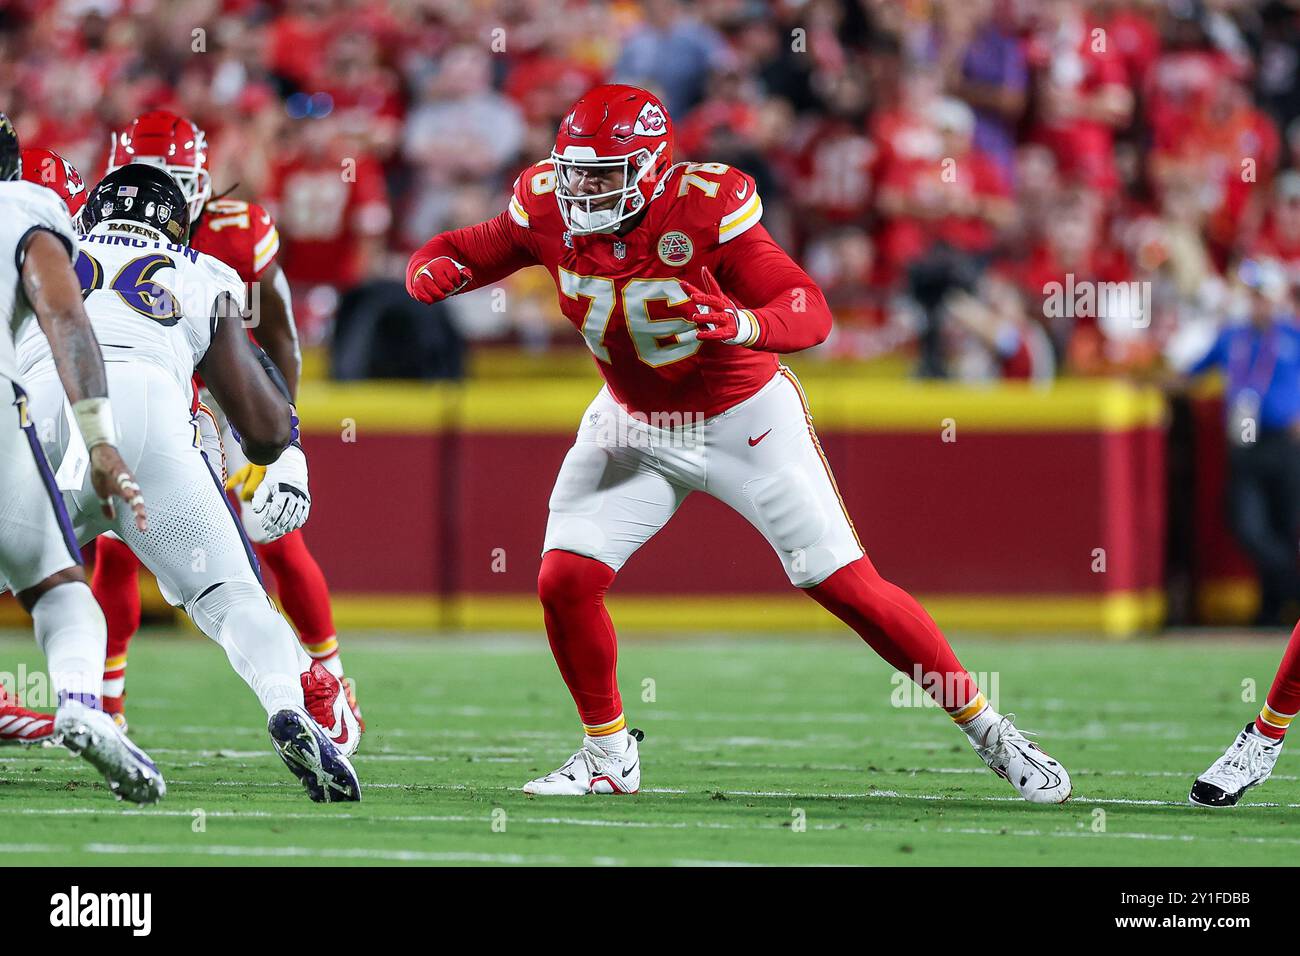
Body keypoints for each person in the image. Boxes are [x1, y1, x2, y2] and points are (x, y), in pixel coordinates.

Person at [406, 84, 1071, 803]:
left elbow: (808, 311)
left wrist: (745, 325)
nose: (582, 189)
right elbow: (466, 247)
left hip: (742, 418)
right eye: (574, 170)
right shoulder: (545, 202)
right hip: (632, 421)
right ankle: (607, 754)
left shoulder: (706, 205)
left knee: (846, 585)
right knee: (564, 580)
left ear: (652, 168)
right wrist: (431, 268)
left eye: (603, 174)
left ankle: (989, 729)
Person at [14, 162, 360, 803]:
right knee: (232, 595)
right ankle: (287, 706)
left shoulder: (45, 245)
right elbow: (258, 418)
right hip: (150, 420)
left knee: (47, 582)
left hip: (49, 408)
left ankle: (81, 704)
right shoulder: (201, 272)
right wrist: (282, 453)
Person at [90, 110, 362, 735]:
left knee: (277, 537)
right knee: (119, 554)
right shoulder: (97, 226)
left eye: (178, 176)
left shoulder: (234, 234)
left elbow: (279, 340)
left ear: (204, 179)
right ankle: (106, 702)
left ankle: (328, 680)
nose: (168, 189)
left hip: (218, 396)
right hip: (161, 397)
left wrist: (278, 442)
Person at [0, 116, 162, 801]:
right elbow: (67, 316)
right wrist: (98, 437)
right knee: (59, 586)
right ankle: (79, 703)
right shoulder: (23, 207)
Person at [1184, 259, 1300, 626]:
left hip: (1284, 442)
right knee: (1248, 525)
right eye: (1252, 296)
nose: (1256, 304)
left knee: (1286, 524)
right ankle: (1291, 589)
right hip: (1245, 444)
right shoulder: (1231, 336)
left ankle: (1272, 610)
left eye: (1262, 296)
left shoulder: (1292, 336)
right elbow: (1190, 372)